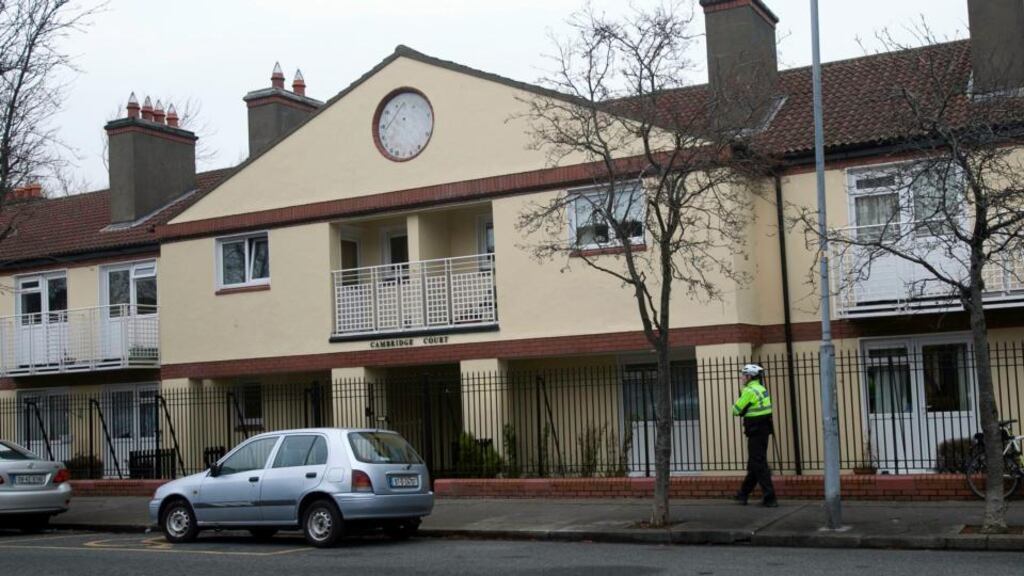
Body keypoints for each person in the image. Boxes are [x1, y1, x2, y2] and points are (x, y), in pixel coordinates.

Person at [732, 363, 778, 507]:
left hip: (755, 431)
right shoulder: (761, 388)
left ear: (750, 376)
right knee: (754, 464)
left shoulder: (749, 390)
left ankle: (770, 498)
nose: (742, 378)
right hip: (764, 430)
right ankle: (743, 494)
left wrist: (741, 400)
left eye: (743, 375)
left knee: (758, 463)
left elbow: (735, 410)